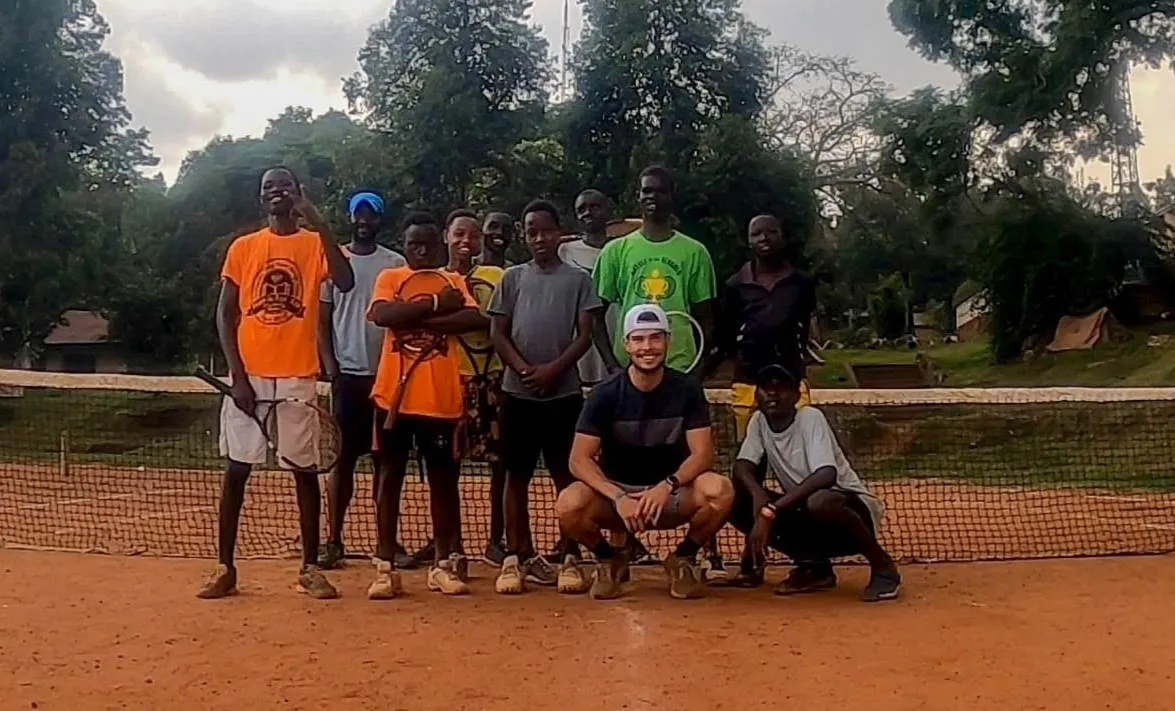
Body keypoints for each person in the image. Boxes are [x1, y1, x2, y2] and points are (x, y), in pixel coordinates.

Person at [198, 166, 355, 600]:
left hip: (296, 376)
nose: (277, 192)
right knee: (237, 472)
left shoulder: (314, 244)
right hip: (249, 377)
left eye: (284, 185)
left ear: (298, 194)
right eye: (269, 187)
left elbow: (345, 281)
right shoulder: (244, 248)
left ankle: (309, 567)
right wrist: (240, 377)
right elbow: (225, 314)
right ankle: (224, 567)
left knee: (303, 472)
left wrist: (319, 221)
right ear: (261, 198)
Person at [592, 164, 727, 580]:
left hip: (680, 374)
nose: (652, 197)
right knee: (619, 458)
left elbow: (706, 317)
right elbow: (596, 315)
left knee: (697, 466)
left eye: (661, 191)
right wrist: (617, 367)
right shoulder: (616, 252)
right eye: (646, 191)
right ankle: (618, 554)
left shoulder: (695, 253)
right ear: (639, 196)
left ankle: (701, 555)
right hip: (630, 376)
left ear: (672, 196)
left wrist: (697, 371)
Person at [556, 304, 735, 600]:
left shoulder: (687, 389)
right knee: (568, 504)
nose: (647, 347)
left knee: (721, 490)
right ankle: (608, 559)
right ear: (626, 345)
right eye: (638, 339)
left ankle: (683, 558)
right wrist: (618, 496)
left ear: (667, 342)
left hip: (671, 496)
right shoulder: (605, 393)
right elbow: (579, 459)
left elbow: (703, 455)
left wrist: (668, 485)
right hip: (617, 500)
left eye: (655, 338)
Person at [365, 212, 483, 598]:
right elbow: (384, 315)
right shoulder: (391, 279)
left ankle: (444, 564)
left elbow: (470, 317)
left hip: (441, 401)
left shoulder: (454, 280)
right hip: (393, 398)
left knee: (444, 484)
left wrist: (417, 316)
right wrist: (434, 304)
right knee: (388, 481)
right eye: (414, 243)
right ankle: (385, 567)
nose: (421, 250)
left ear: (439, 245)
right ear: (404, 244)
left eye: (428, 244)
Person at [489, 199, 601, 595]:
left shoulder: (579, 280)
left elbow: (585, 335)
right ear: (525, 236)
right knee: (514, 478)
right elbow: (498, 333)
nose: (539, 238)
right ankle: (516, 558)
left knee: (566, 477)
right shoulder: (512, 279)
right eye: (531, 232)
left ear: (559, 232)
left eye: (546, 230)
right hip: (516, 395)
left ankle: (570, 557)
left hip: (564, 395)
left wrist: (553, 370)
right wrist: (523, 370)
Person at [729, 364, 902, 602]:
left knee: (820, 501)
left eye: (781, 388)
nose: (772, 394)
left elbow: (826, 475)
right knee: (732, 496)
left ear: (797, 396)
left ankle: (882, 565)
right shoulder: (759, 421)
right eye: (766, 388)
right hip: (805, 511)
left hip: (850, 509)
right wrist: (758, 497)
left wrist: (771, 510)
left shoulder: (810, 418)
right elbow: (742, 466)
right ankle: (814, 567)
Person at [316, 191, 407, 571]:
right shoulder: (333, 260)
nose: (365, 220)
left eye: (372, 215)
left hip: (387, 378)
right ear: (351, 218)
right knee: (344, 461)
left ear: (380, 220)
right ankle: (334, 539)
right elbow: (322, 321)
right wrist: (331, 367)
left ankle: (387, 542)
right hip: (348, 379)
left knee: (387, 463)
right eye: (359, 214)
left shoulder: (396, 263)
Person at [446, 208, 508, 564]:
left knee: (500, 464)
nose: (466, 241)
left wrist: (467, 318)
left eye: (472, 235)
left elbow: (502, 323)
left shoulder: (498, 276)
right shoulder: (435, 279)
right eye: (459, 234)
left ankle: (496, 540)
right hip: (450, 380)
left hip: (495, 378)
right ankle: (450, 543)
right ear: (447, 236)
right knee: (447, 466)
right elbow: (432, 321)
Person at [720, 214, 816, 443]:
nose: (764, 238)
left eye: (771, 232)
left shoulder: (802, 283)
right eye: (756, 234)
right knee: (749, 449)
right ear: (748, 241)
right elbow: (727, 332)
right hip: (747, 379)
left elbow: (803, 327)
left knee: (800, 445)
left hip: (791, 376)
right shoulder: (735, 285)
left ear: (783, 237)